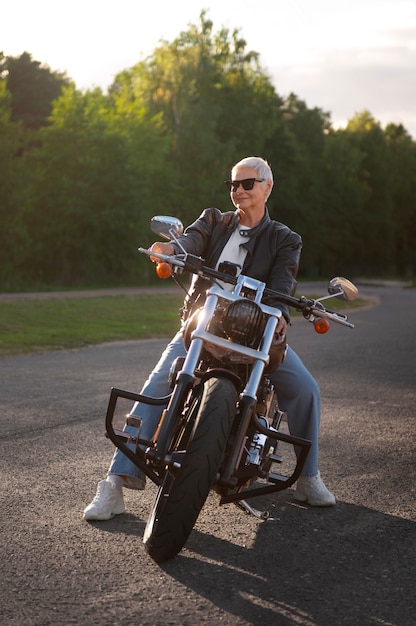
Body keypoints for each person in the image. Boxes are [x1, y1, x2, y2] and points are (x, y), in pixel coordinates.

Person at [83, 156, 336, 521]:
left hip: (257, 333)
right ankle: (115, 483)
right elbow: (191, 239)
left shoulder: (284, 238)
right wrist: (172, 250)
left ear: (267, 186)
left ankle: (308, 477)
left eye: (247, 183)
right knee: (158, 383)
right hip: (205, 324)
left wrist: (280, 315)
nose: (238, 191)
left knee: (306, 388)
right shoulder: (214, 220)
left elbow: (284, 282)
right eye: (233, 184)